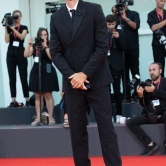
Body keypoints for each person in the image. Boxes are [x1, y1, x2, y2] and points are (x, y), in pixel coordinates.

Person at [50, 0, 122, 165]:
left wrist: (84, 74)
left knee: (107, 130)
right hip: (72, 83)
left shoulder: (94, 9)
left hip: (97, 79)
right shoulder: (56, 17)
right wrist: (73, 76)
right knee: (77, 133)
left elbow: (102, 46)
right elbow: (55, 52)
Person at [126, 62, 166, 156]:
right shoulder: (146, 84)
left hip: (164, 113)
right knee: (130, 122)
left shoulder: (165, 82)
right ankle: (149, 144)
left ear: (160, 71)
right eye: (150, 70)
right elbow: (144, 104)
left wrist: (155, 91)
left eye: (154, 70)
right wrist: (140, 96)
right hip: (150, 114)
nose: (152, 72)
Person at [24, 27, 59, 126]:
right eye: (41, 35)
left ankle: (51, 117)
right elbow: (26, 54)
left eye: (45, 35)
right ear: (38, 36)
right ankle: (38, 118)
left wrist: (45, 46)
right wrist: (29, 44)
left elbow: (52, 57)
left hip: (47, 72)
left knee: (48, 95)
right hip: (36, 72)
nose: (43, 37)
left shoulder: (50, 44)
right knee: (38, 96)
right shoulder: (35, 45)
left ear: (47, 35)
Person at [2, 10, 30, 107]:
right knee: (12, 78)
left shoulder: (24, 27)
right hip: (10, 54)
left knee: (23, 77)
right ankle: (13, 100)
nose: (17, 18)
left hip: (21, 54)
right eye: (15, 16)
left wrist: (14, 29)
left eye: (18, 16)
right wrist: (6, 27)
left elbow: (22, 37)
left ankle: (27, 99)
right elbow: (6, 40)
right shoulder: (9, 27)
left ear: (21, 17)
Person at [116, 2, 140, 102]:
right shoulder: (116, 16)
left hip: (132, 47)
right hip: (120, 49)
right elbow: (110, 27)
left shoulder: (134, 14)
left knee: (135, 72)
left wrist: (125, 18)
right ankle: (126, 96)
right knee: (124, 73)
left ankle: (136, 94)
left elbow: (135, 26)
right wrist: (115, 14)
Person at [106, 14, 126, 123]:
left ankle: (119, 113)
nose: (110, 26)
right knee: (106, 92)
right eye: (109, 24)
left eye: (112, 24)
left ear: (115, 23)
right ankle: (109, 115)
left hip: (116, 66)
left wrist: (118, 38)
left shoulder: (121, 33)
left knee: (118, 91)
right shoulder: (101, 34)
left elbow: (125, 48)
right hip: (105, 66)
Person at [147, 0, 166, 77]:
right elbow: (153, 27)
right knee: (159, 68)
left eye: (164, 1)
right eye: (161, 1)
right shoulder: (151, 14)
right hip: (157, 44)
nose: (163, 3)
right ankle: (161, 87)